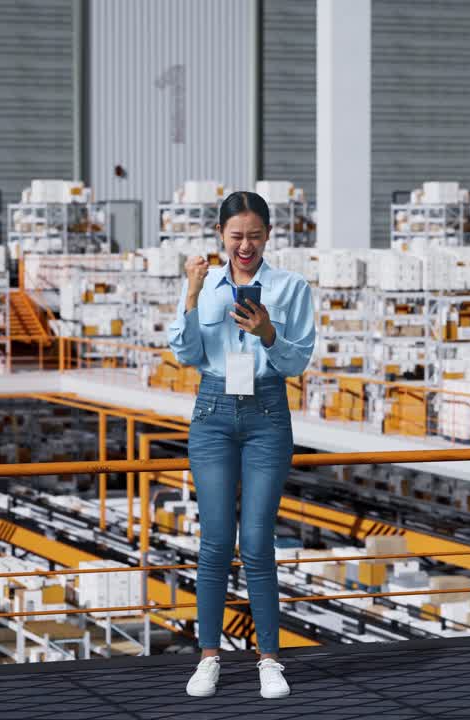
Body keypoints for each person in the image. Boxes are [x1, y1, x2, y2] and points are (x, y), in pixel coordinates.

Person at [167, 190, 316, 699]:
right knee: (213, 543)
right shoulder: (204, 283)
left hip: (267, 413)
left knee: (256, 542)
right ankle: (209, 657)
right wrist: (189, 293)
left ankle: (269, 660)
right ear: (221, 236)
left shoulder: (291, 287)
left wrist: (269, 331)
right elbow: (186, 353)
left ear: (268, 235)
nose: (245, 245)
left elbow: (298, 363)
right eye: (236, 236)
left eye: (254, 235)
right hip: (211, 412)